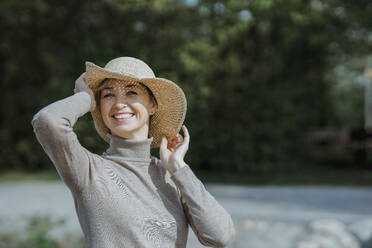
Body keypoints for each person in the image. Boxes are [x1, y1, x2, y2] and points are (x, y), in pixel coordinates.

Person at [31, 57, 235, 247]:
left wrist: (179, 168)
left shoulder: (172, 177)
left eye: (131, 92)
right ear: (99, 105)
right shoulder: (88, 171)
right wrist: (85, 98)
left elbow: (220, 236)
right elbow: (48, 121)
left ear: (153, 105)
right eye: (108, 95)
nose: (119, 104)